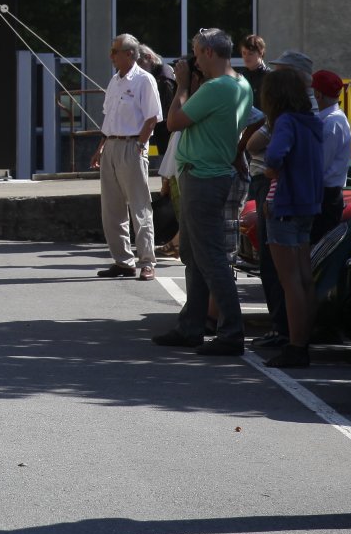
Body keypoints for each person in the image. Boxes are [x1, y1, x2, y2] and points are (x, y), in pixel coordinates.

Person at [152, 28, 252, 355]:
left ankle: (231, 333)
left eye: (196, 53)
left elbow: (173, 122)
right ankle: (191, 327)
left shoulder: (216, 87)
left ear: (209, 52)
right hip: (210, 174)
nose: (193, 61)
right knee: (195, 256)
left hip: (203, 177)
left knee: (209, 257)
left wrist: (182, 84)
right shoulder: (240, 83)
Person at [260, 67, 325, 369]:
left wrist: (270, 169)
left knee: (290, 282)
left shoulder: (285, 121)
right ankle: (303, 342)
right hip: (307, 205)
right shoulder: (313, 121)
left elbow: (274, 155)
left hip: (284, 204)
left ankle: (295, 346)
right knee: (304, 279)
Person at [90, 35, 162, 281]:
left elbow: (152, 117)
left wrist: (140, 144)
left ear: (129, 54)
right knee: (111, 208)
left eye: (115, 51)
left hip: (132, 145)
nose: (111, 56)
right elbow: (109, 118)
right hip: (111, 145)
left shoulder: (144, 80)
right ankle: (123, 261)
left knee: (139, 206)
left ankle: (147, 261)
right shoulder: (114, 80)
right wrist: (100, 147)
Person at [312, 69, 351, 241]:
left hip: (326, 196)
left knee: (318, 246)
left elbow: (319, 166)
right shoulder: (333, 119)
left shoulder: (331, 123)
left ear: (318, 94)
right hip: (326, 194)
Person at [239, 33, 270, 108]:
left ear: (260, 53)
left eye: (250, 53)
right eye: (244, 53)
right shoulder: (240, 77)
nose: (246, 57)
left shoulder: (270, 77)